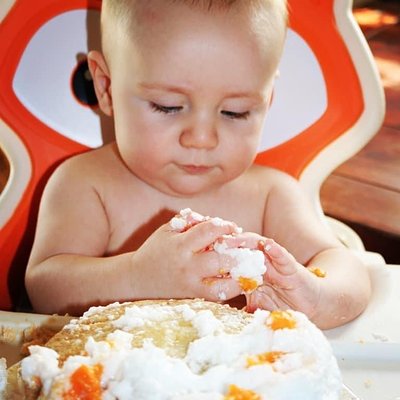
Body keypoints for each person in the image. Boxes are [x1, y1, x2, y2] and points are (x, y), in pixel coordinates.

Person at [25, 0, 371, 329]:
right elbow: (44, 288)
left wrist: (317, 296)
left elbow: (347, 267)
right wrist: (137, 276)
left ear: (266, 102)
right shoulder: (86, 185)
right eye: (168, 106)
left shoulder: (272, 196)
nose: (202, 138)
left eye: (235, 112)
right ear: (105, 87)